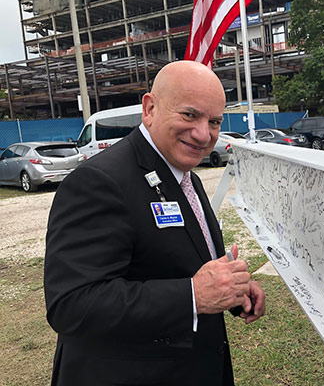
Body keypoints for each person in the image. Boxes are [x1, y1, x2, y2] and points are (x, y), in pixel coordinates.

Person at [44, 61, 266, 386]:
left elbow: (179, 264)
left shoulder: (184, 175)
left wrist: (231, 291)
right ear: (149, 108)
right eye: (189, 115)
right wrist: (192, 295)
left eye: (214, 121)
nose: (204, 134)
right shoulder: (98, 181)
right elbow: (71, 304)